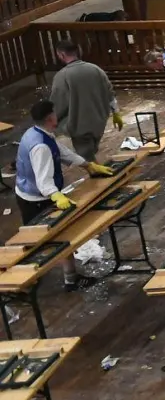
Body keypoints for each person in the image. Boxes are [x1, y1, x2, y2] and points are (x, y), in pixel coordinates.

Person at [13, 100, 116, 287]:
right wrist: (57, 196)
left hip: (28, 193)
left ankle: (40, 275)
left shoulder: (37, 133)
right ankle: (58, 279)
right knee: (56, 237)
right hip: (37, 199)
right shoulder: (41, 147)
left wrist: (88, 165)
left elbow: (63, 152)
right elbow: (44, 182)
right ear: (51, 118)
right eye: (54, 113)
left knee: (42, 239)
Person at [49, 40, 121, 164]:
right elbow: (110, 92)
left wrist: (51, 123)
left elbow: (56, 103)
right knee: (90, 151)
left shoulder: (62, 76)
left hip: (79, 124)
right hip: (99, 120)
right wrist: (116, 112)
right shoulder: (95, 69)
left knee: (86, 156)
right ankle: (97, 168)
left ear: (61, 54)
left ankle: (97, 174)